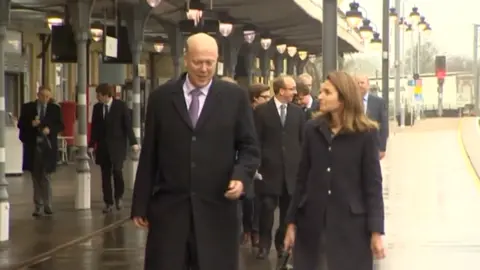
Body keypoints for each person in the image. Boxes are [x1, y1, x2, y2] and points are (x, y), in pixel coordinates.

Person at [130, 33, 260, 270]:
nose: (204, 69)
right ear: (186, 59)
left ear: (217, 61)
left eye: (210, 62)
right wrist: (140, 203)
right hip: (170, 210)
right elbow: (150, 153)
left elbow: (250, 147)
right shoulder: (161, 98)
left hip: (217, 209)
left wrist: (241, 178)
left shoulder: (235, 98)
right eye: (198, 62)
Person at [283, 71, 385, 270]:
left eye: (327, 92)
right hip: (312, 223)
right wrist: (291, 222)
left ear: (343, 98)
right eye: (320, 91)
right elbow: (302, 178)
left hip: (351, 227)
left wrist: (376, 232)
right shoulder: (312, 129)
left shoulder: (366, 134)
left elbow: (373, 185)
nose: (319, 96)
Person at [254, 75, 306, 260]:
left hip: (291, 171)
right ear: (281, 90)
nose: (294, 92)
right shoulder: (261, 112)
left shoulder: (298, 112)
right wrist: (256, 165)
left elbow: (302, 140)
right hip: (268, 169)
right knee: (267, 208)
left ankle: (280, 244)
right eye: (291, 89)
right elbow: (256, 140)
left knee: (287, 211)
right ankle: (264, 244)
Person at [88, 83, 139, 213]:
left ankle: (119, 197)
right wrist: (91, 145)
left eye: (99, 95)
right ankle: (108, 202)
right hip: (103, 147)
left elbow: (127, 125)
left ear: (106, 95)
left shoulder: (120, 106)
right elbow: (95, 128)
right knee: (105, 176)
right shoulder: (97, 108)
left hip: (117, 147)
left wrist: (133, 142)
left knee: (117, 172)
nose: (97, 97)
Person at [18, 86, 64, 216]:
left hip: (48, 146)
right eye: (43, 96)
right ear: (37, 95)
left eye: (48, 96)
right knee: (35, 176)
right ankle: (37, 205)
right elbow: (20, 124)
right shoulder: (28, 108)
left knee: (46, 176)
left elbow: (61, 125)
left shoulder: (55, 109)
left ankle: (47, 204)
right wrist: (30, 124)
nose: (45, 99)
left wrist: (50, 130)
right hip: (33, 146)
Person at [241, 83, 271, 247]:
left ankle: (255, 231)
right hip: (247, 160)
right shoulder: (246, 114)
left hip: (263, 162)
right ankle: (247, 230)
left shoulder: (266, 113)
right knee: (248, 198)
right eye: (265, 97)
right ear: (255, 98)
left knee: (259, 199)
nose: (268, 100)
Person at [356, 75, 389, 159]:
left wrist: (382, 148)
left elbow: (384, 125)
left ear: (368, 85)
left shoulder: (379, 102)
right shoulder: (350, 102)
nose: (359, 85)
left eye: (362, 83)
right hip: (355, 145)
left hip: (373, 145)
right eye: (357, 83)